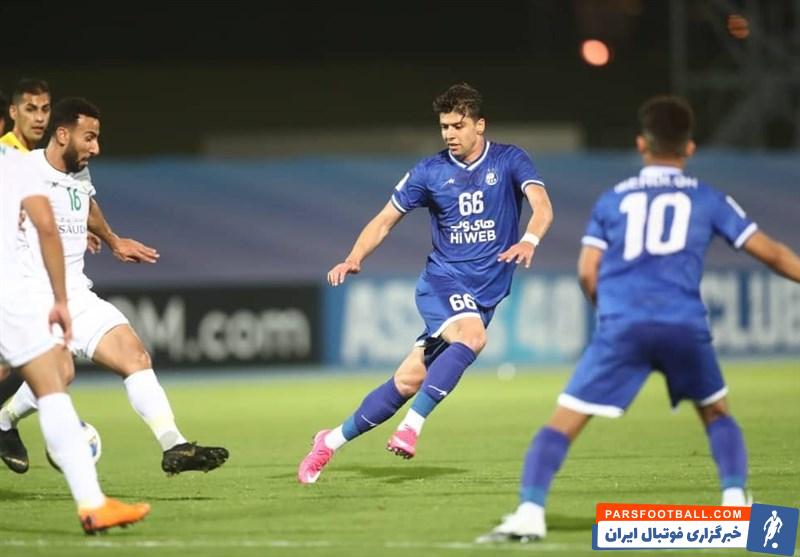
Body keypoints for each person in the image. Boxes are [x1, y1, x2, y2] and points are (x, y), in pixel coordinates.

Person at [478, 95, 800, 543]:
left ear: (641, 145)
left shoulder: (613, 200)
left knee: (563, 422)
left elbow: (587, 271)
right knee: (716, 413)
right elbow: (773, 254)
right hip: (683, 324)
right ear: (689, 148)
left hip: (623, 324)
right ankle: (734, 505)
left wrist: (611, 315)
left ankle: (530, 513)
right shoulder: (708, 199)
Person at [298, 83, 554, 484]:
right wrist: (354, 257)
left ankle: (329, 441)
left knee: (407, 380)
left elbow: (542, 206)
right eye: (444, 126)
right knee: (472, 337)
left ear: (480, 125)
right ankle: (411, 427)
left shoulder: (509, 160)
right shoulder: (429, 171)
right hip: (442, 282)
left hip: (482, 296)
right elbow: (385, 220)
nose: (449, 133)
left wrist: (529, 240)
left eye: (458, 125)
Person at [0, 97, 230, 475]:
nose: (96, 148)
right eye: (89, 138)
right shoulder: (20, 171)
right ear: (62, 135)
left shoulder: (79, 172)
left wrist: (112, 239)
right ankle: (7, 423)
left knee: (134, 356)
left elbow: (86, 204)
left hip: (76, 293)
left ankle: (175, 445)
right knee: (59, 373)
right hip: (31, 296)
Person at [0, 143, 150, 533]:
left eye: (43, 112)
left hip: (16, 294)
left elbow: (49, 225)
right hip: (14, 293)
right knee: (50, 381)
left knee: (56, 377)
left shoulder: (18, 163)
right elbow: (45, 227)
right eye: (31, 112)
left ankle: (92, 505)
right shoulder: (18, 163)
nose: (39, 118)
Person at [0, 78, 51, 151]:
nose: (40, 118)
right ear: (13, 112)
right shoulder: (3, 152)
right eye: (30, 110)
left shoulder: (37, 155)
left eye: (45, 110)